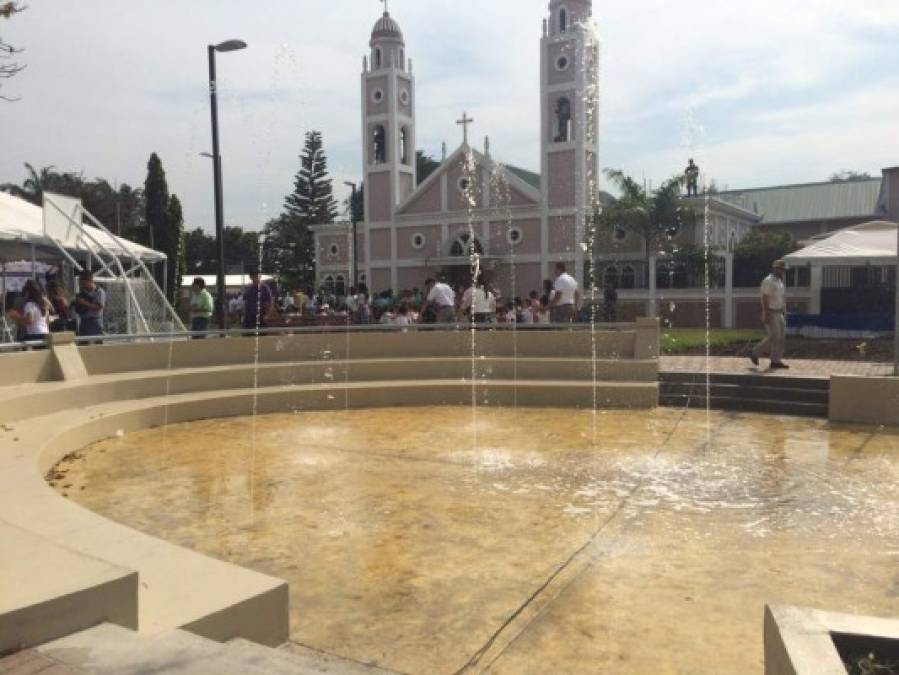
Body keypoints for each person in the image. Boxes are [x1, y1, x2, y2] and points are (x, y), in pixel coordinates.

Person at [751, 260, 789, 370]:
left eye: (784, 270)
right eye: (781, 269)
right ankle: (754, 352)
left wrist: (784, 310)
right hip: (771, 312)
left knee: (781, 337)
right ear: (775, 269)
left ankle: (775, 361)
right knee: (774, 336)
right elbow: (764, 298)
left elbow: (781, 298)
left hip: (779, 312)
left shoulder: (779, 281)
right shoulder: (768, 281)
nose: (783, 271)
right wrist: (765, 313)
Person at [6, 279, 51, 344]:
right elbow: (47, 321)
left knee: (20, 342)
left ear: (28, 292)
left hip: (35, 335)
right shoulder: (42, 303)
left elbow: (29, 321)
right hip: (45, 334)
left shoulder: (29, 305)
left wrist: (17, 316)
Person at [74, 270, 106, 338]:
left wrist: (84, 303)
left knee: (93, 345)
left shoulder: (99, 292)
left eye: (84, 282)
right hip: (83, 321)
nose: (82, 284)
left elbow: (98, 307)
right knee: (83, 344)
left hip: (93, 321)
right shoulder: (83, 292)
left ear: (90, 280)